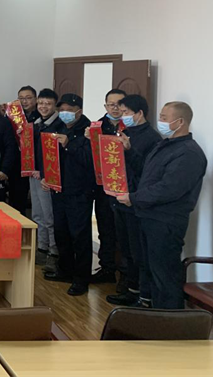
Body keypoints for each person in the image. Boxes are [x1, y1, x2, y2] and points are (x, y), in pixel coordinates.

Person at [117, 101, 207, 309]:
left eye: (165, 118)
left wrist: (134, 198)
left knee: (165, 274)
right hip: (147, 216)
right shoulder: (164, 145)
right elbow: (146, 173)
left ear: (180, 122)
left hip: (166, 221)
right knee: (149, 267)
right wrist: (129, 151)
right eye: (160, 116)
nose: (160, 121)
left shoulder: (189, 153)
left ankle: (169, 319)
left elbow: (168, 189)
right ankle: (151, 310)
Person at [105, 94, 161, 307]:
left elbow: (147, 172)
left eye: (126, 112)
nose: (123, 116)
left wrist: (128, 151)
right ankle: (131, 289)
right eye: (121, 112)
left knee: (139, 252)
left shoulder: (152, 138)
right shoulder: (126, 132)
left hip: (136, 201)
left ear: (139, 113)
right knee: (126, 249)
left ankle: (144, 296)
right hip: (119, 197)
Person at [42, 93, 95, 296]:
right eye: (61, 109)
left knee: (79, 235)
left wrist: (68, 144)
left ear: (78, 111)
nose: (64, 113)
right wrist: (47, 176)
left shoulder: (89, 130)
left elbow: (90, 160)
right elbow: (50, 155)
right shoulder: (59, 126)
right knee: (61, 232)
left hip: (79, 191)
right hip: (59, 188)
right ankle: (65, 270)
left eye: (69, 110)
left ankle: (81, 278)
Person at [87, 88, 125, 285]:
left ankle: (126, 275)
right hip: (102, 189)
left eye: (119, 104)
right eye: (111, 104)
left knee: (124, 233)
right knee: (105, 229)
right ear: (105, 106)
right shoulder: (96, 127)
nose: (115, 108)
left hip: (125, 190)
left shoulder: (131, 127)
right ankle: (107, 268)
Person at [29, 88, 64, 274]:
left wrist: (46, 175)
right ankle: (42, 247)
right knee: (38, 214)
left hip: (48, 177)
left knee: (50, 216)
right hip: (34, 174)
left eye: (48, 103)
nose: (43, 106)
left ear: (54, 105)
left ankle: (54, 252)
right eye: (41, 103)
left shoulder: (59, 125)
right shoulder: (36, 123)